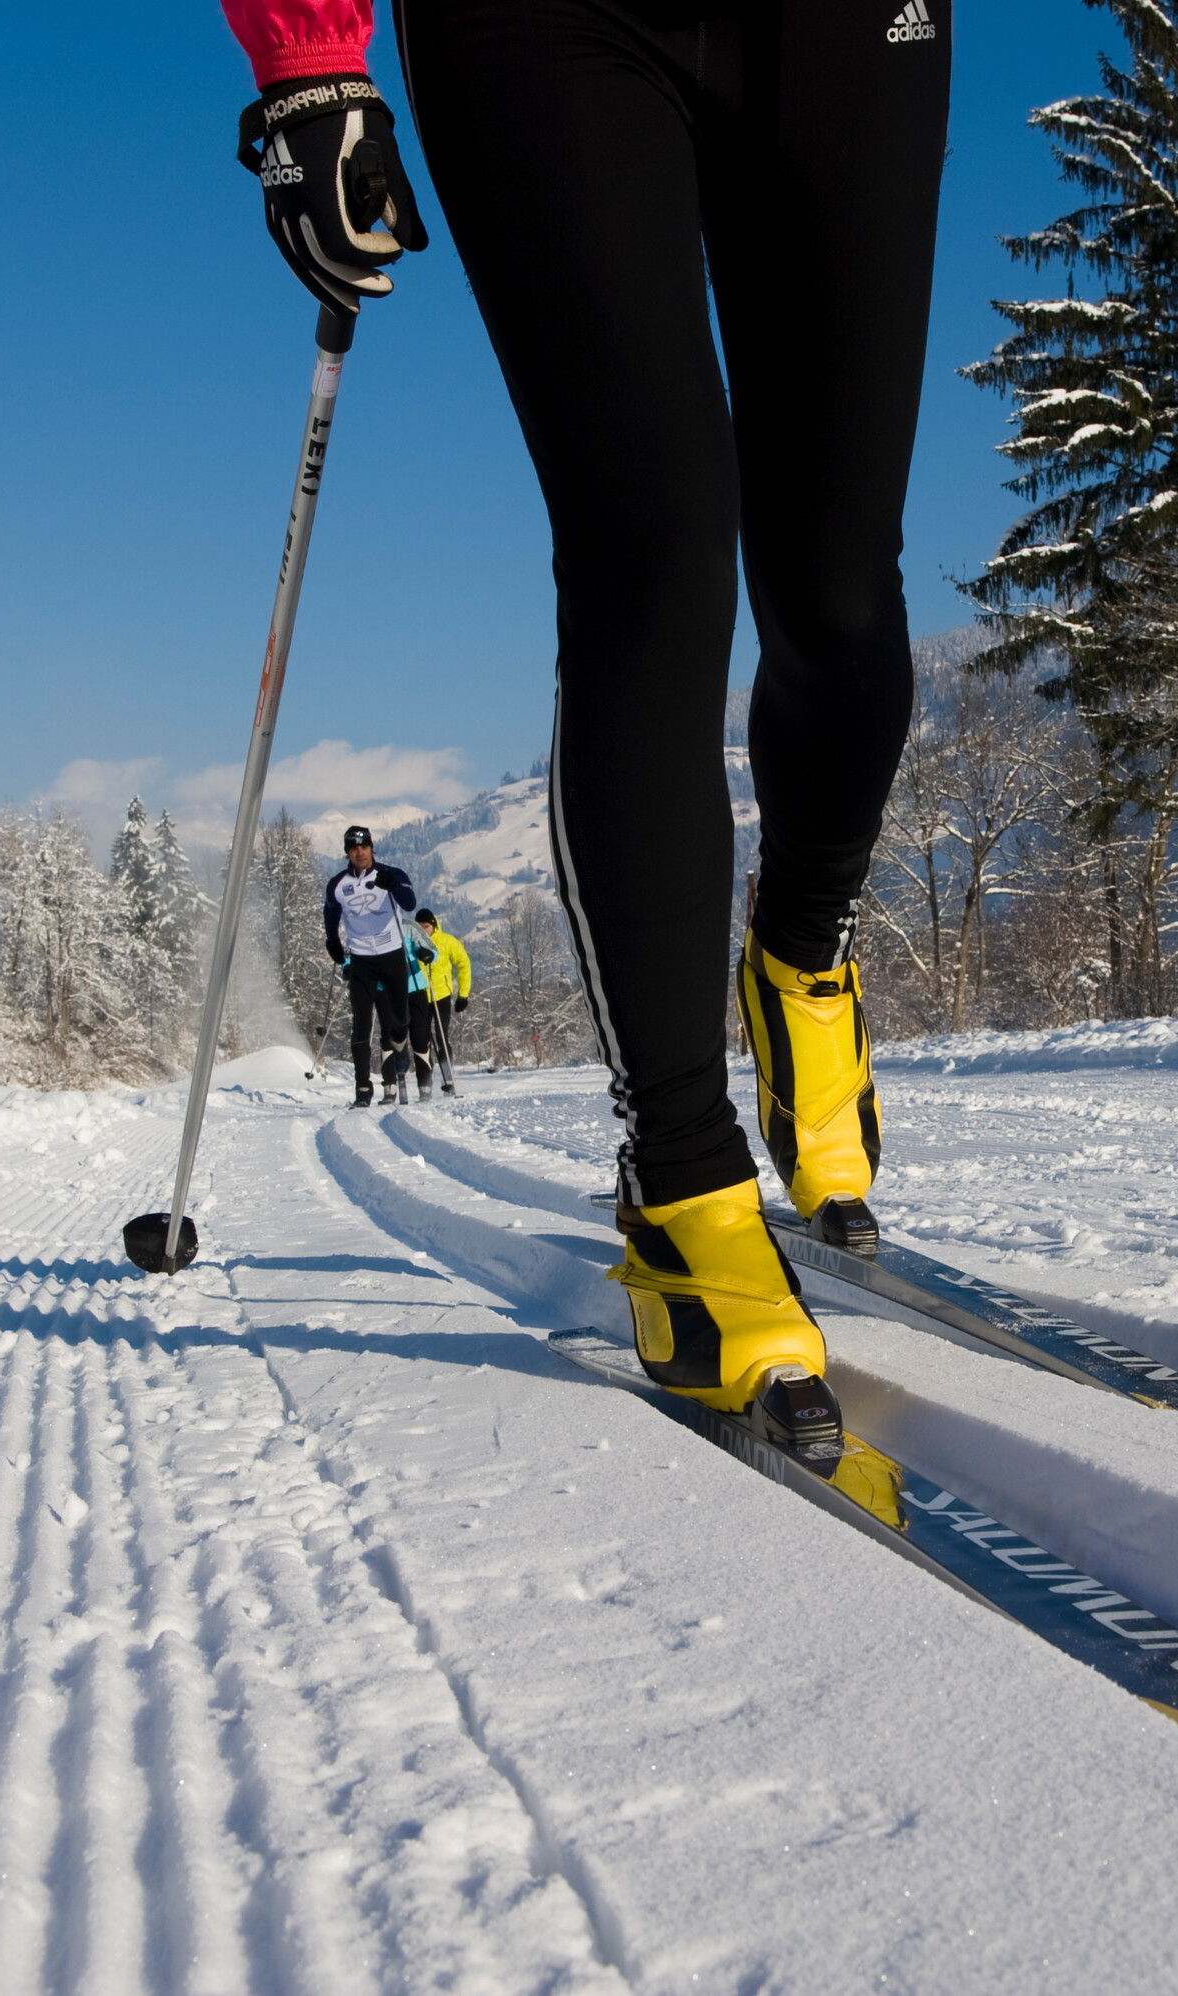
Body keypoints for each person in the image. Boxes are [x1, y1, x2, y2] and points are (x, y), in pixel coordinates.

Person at [222, 0, 947, 1469]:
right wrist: (306, 57)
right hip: (537, 23)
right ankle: (685, 1183)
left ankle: (800, 960)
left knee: (838, 591)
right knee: (656, 551)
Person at [321, 824, 419, 1106]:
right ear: (347, 853)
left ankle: (401, 1048)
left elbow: (409, 903)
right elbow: (330, 914)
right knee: (361, 1024)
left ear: (371, 849)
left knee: (400, 1019)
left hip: (390, 955)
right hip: (362, 959)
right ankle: (363, 1089)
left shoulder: (390, 873)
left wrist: (393, 884)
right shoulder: (338, 884)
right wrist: (333, 943)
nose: (359, 853)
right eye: (354, 849)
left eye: (364, 848)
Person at [411, 907, 472, 1099]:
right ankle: (426, 1082)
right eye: (419, 927)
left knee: (441, 1035)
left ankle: (448, 1079)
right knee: (422, 1039)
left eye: (426, 926)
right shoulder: (412, 943)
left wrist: (463, 994)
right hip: (419, 995)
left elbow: (463, 963)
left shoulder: (446, 942)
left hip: (441, 995)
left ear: (434, 926)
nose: (423, 930)